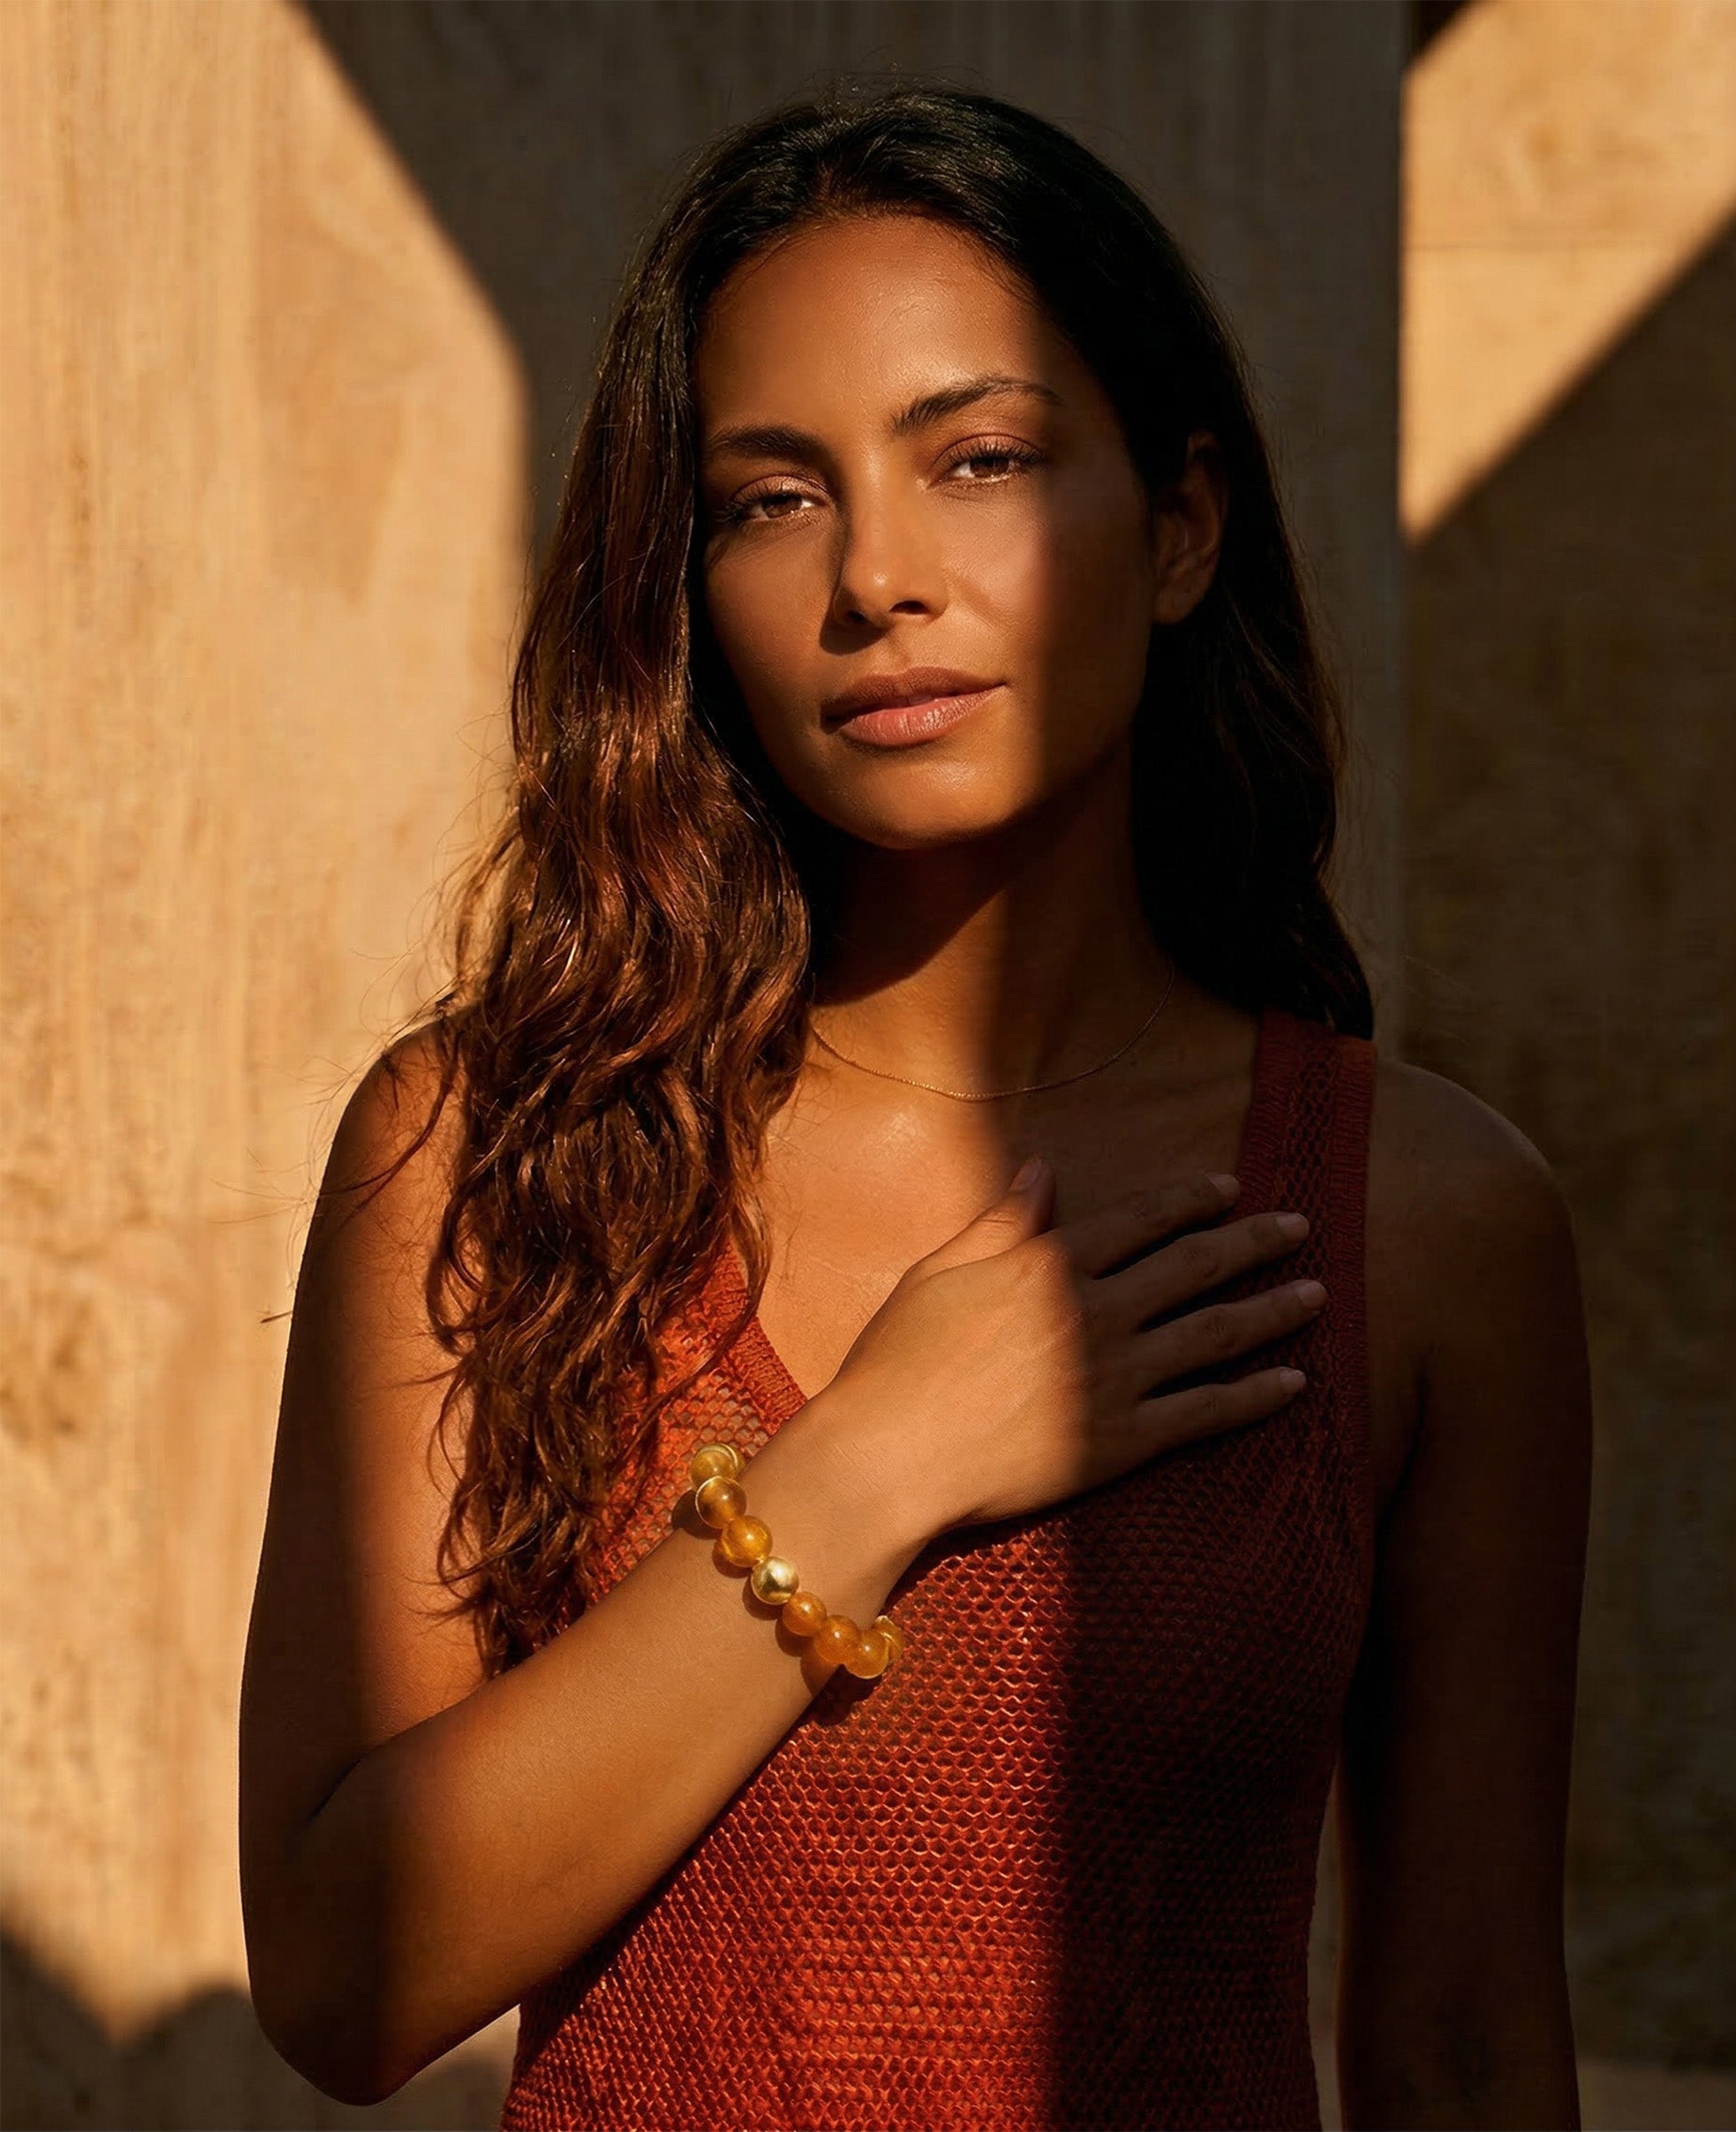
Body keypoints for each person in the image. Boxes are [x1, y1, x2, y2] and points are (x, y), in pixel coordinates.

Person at [238, 85, 1592, 2131]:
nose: (878, 577)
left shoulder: (1421, 1219)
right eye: (771, 499)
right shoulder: (490, 1153)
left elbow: (1464, 2042)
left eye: (980, 460)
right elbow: (347, 1979)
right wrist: (873, 1462)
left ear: (1182, 529)